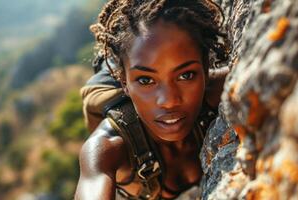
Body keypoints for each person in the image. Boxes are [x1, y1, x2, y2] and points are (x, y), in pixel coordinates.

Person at [75, 0, 229, 199]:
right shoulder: (107, 148)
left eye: (186, 75)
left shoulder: (222, 88)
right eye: (146, 80)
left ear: (207, 72)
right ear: (124, 83)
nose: (169, 101)